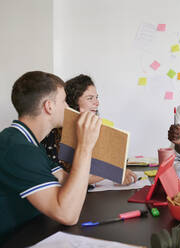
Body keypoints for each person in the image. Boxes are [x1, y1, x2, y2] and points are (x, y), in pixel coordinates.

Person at [0, 71, 101, 241]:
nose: (68, 108)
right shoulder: (19, 149)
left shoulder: (29, 141)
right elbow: (68, 215)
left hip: (32, 230)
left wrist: (113, 170)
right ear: (49, 106)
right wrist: (85, 145)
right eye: (63, 102)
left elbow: (65, 178)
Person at [41, 74, 136, 185]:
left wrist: (115, 172)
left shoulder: (90, 129)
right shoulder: (55, 135)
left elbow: (93, 169)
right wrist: (113, 173)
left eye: (96, 97)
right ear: (73, 101)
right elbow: (69, 178)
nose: (97, 103)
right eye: (90, 98)